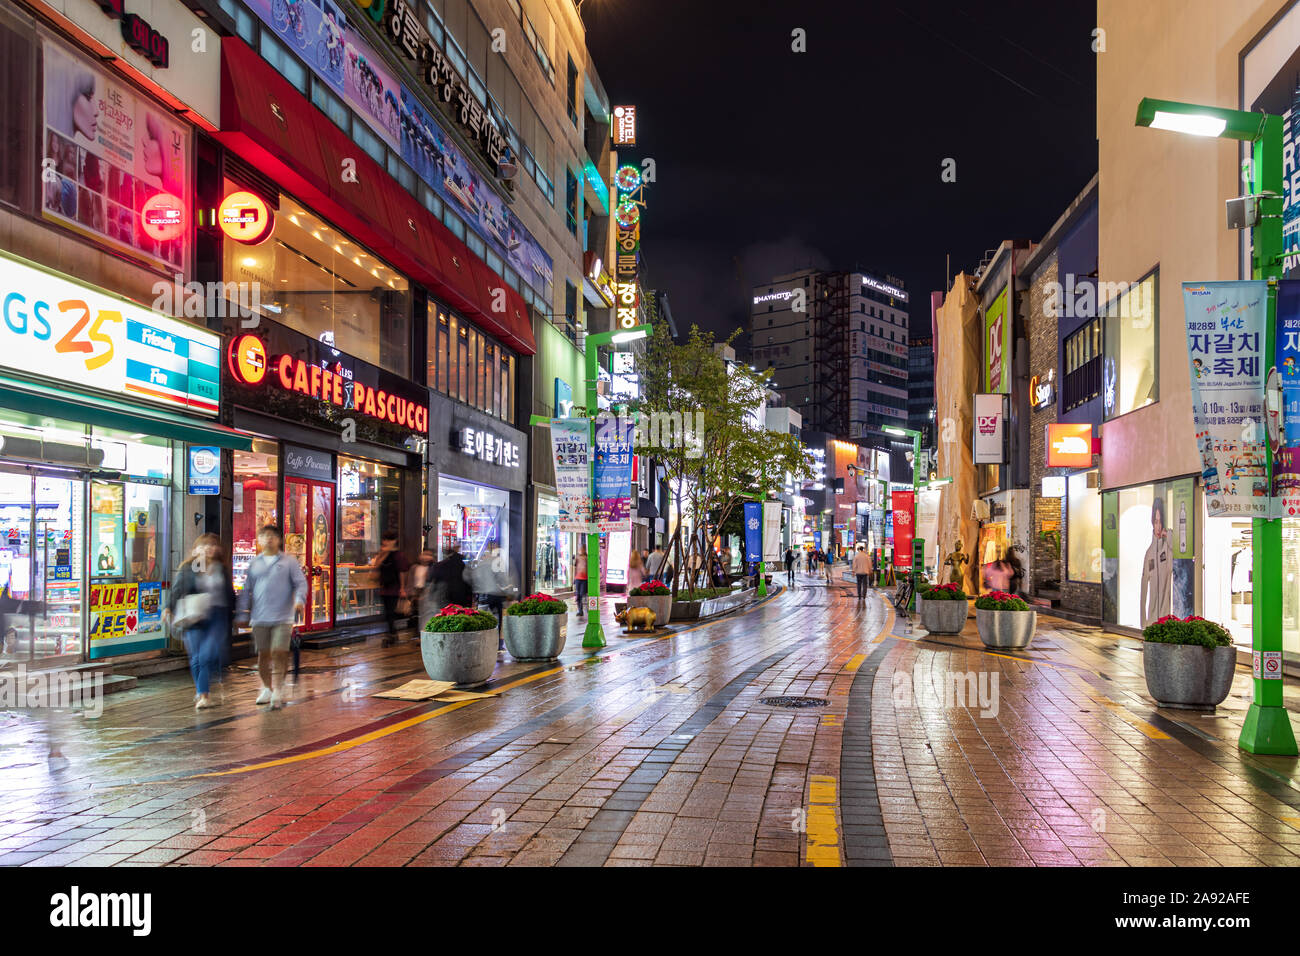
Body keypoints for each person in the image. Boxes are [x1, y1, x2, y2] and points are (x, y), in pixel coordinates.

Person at [235, 525, 307, 711]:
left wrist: (299, 601)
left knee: (279, 651)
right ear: (259, 540)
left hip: (283, 617)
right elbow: (246, 589)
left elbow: (300, 584)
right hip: (260, 617)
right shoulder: (255, 563)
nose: (268, 539)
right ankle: (266, 688)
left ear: (279, 540)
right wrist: (242, 612)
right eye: (264, 536)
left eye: (272, 536)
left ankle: (278, 690)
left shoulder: (289, 562)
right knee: (263, 654)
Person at [168, 533, 230, 710]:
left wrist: (236, 615)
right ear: (195, 550)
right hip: (194, 615)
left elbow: (229, 594)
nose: (208, 548)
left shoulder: (221, 568)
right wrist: (168, 607)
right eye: (203, 545)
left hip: (217, 615)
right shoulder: (189, 568)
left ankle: (204, 694)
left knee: (206, 655)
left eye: (212, 545)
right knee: (196, 657)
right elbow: (177, 589)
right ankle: (201, 689)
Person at [372, 533, 410, 647]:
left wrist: (402, 588)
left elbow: (402, 572)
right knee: (388, 613)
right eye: (385, 540)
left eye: (389, 540)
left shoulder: (398, 555)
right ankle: (392, 633)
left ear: (394, 541)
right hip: (384, 588)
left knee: (392, 612)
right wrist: (383, 553)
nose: (386, 542)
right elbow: (376, 565)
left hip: (394, 588)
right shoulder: (383, 553)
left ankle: (392, 633)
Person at [431, 539, 473, 610]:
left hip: (446, 595)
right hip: (462, 595)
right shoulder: (463, 563)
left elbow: (435, 581)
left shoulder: (440, 565)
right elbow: (468, 579)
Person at [410, 547, 437, 633]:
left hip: (428, 594)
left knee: (427, 614)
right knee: (417, 614)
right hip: (417, 593)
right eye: (424, 554)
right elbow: (411, 581)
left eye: (429, 555)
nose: (426, 557)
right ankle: (419, 632)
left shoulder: (434, 568)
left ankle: (426, 632)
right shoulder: (415, 567)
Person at [574, 546, 589, 618]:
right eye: (579, 549)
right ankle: (580, 610)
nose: (580, 550)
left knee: (583, 594)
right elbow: (575, 567)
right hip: (578, 578)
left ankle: (587, 608)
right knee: (578, 595)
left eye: (581, 549)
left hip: (584, 579)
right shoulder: (577, 557)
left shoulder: (587, 558)